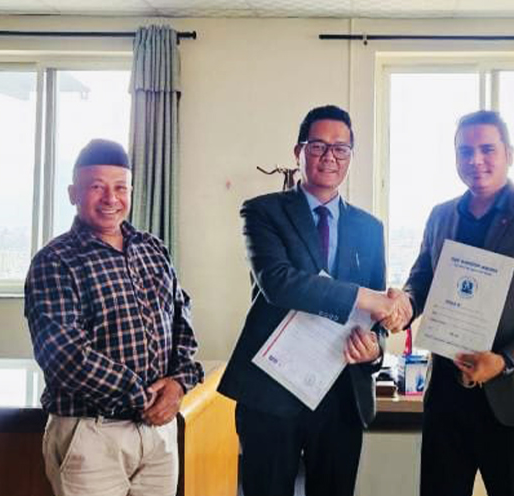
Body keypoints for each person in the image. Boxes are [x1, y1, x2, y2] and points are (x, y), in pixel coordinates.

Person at [397, 110, 514, 496]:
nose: (476, 160)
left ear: (509, 154)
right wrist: (403, 305)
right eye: (465, 151)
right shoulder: (441, 215)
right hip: (446, 396)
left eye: (487, 149)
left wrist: (505, 360)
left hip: (512, 398)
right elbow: (421, 280)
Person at [217, 105, 403, 496]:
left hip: (340, 395)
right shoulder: (263, 211)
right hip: (271, 392)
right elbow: (279, 283)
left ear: (351, 156)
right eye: (318, 146)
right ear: (299, 151)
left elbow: (375, 320)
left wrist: (374, 350)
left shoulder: (369, 228)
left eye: (341, 149)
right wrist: (365, 297)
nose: (329, 156)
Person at [24, 139, 204, 496]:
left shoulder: (152, 249)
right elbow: (64, 356)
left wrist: (180, 382)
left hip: (158, 435)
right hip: (91, 435)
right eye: (97, 187)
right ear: (73, 193)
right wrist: (144, 397)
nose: (111, 198)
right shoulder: (54, 260)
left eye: (121, 187)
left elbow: (181, 317)